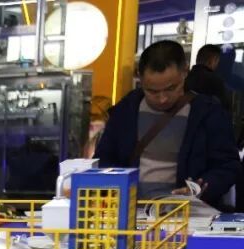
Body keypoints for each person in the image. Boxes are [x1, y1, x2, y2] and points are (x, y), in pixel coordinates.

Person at [95, 40, 239, 206]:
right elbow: (103, 159)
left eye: (171, 88)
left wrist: (200, 187)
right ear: (140, 78)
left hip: (188, 212)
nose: (162, 99)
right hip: (131, 210)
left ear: (185, 72)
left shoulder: (208, 113)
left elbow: (228, 165)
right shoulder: (125, 111)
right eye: (152, 91)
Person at [185, 44, 232, 110]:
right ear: (212, 61)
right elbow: (225, 108)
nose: (218, 65)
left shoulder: (184, 78)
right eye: (217, 61)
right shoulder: (216, 81)